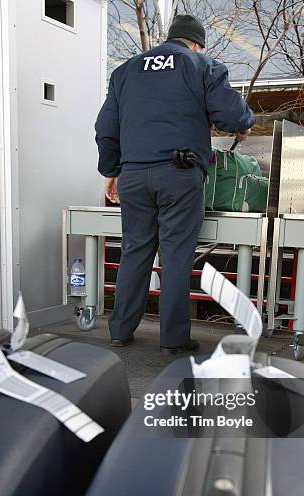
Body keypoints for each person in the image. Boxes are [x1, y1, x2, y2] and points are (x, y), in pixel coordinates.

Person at [95, 14, 255, 353]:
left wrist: (111, 170)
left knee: (135, 250)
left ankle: (120, 330)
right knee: (176, 256)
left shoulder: (124, 72)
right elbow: (233, 116)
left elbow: (106, 129)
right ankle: (173, 339)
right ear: (195, 43)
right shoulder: (202, 65)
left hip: (134, 176)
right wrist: (242, 124)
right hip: (178, 175)